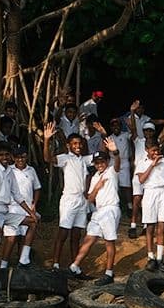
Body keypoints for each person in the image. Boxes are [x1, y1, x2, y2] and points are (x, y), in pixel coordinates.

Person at [0, 142, 36, 297]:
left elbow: (17, 195)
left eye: (7, 155)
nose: (5, 158)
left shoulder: (9, 172)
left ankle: (24, 259)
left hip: (6, 211)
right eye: (2, 155)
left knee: (33, 222)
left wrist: (30, 212)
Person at [70, 137, 122, 284]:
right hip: (98, 211)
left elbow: (117, 163)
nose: (100, 164)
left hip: (110, 209)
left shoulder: (111, 171)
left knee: (109, 242)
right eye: (97, 162)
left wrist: (115, 152)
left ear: (107, 162)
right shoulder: (95, 177)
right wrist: (98, 187)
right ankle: (74, 266)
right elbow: (90, 198)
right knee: (89, 239)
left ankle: (109, 272)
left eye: (102, 162)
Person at [43, 122, 94, 271]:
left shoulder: (83, 160)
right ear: (68, 145)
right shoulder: (65, 158)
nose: (78, 146)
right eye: (74, 144)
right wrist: (46, 140)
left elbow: (101, 157)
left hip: (82, 201)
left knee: (76, 234)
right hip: (69, 200)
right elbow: (47, 159)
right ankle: (56, 265)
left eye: (79, 143)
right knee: (63, 232)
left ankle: (74, 266)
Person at [136, 141, 164, 272]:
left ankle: (160, 258)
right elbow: (141, 180)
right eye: (153, 150)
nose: (156, 153)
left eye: (157, 150)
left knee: (162, 226)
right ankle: (151, 256)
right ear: (147, 150)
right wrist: (152, 165)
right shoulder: (142, 162)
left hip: (162, 192)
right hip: (150, 192)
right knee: (150, 227)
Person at [7, 145, 42, 267]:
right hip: (13, 208)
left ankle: (22, 261)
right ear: (13, 158)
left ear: (26, 157)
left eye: (22, 157)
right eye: (17, 157)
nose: (20, 160)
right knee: (11, 239)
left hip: (28, 209)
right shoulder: (9, 170)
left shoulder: (31, 170)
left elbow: (37, 188)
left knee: (24, 236)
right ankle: (4, 264)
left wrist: (34, 204)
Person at [127, 119, 159, 239]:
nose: (148, 133)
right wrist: (131, 111)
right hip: (139, 172)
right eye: (146, 130)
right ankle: (133, 225)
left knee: (147, 200)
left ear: (153, 132)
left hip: (151, 174)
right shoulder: (138, 141)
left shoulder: (157, 143)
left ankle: (146, 225)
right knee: (136, 199)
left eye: (150, 130)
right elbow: (133, 130)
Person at [107, 116, 133, 207]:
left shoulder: (126, 135)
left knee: (126, 185)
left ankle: (129, 205)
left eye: (117, 125)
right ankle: (115, 204)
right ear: (111, 127)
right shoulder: (109, 138)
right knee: (112, 184)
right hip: (113, 162)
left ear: (121, 126)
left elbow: (134, 136)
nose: (115, 127)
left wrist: (130, 125)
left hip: (124, 161)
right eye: (113, 126)